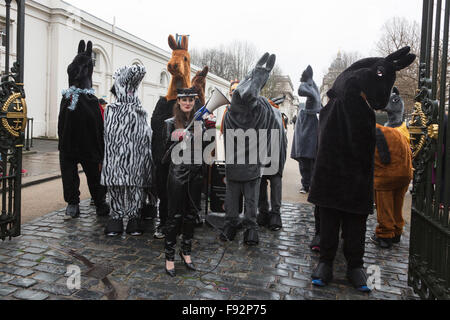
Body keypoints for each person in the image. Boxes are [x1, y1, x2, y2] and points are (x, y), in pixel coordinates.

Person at [308, 47, 416, 292]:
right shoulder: (345, 94)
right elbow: (346, 86)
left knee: (355, 223)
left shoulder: (365, 109)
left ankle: (355, 264)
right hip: (332, 173)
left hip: (357, 177)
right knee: (329, 221)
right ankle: (326, 261)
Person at [221, 53, 281, 246]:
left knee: (251, 197)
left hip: (253, 161)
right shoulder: (231, 111)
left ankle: (250, 226)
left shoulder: (262, 110)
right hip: (234, 160)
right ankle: (232, 222)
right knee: (232, 194)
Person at [163, 87, 216, 277]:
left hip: (196, 175)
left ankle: (186, 251)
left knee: (191, 215)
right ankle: (169, 256)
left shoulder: (199, 123)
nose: (187, 103)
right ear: (178, 101)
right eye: (184, 100)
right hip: (177, 174)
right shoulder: (170, 123)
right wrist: (174, 139)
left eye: (191, 100)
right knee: (174, 216)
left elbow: (207, 150)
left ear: (194, 102)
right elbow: (163, 154)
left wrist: (208, 130)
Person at [58, 40, 109, 219]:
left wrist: (100, 148)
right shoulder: (66, 98)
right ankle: (72, 202)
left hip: (89, 144)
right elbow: (61, 121)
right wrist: (62, 142)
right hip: (69, 142)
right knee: (69, 173)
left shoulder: (92, 101)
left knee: (94, 174)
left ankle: (100, 200)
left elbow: (98, 125)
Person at [101, 65, 153, 236]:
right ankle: (115, 216)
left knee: (135, 186)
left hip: (136, 157)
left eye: (133, 89)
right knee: (115, 185)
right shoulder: (110, 110)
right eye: (126, 89)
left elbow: (146, 135)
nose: (129, 92)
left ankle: (133, 216)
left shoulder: (141, 111)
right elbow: (105, 134)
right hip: (114, 156)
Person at [291, 66, 321, 194]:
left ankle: (310, 184)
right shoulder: (308, 85)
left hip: (311, 122)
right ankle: (306, 183)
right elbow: (301, 90)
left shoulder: (313, 87)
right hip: (306, 122)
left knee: (312, 156)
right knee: (304, 156)